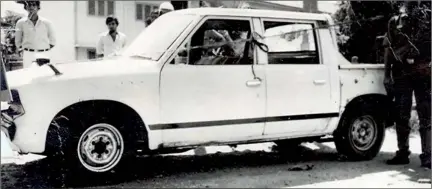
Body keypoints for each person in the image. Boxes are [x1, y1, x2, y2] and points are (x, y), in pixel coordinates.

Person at [383, 1, 431, 169]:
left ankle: (428, 156)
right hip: (402, 73)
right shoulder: (394, 22)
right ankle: (403, 153)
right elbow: (388, 49)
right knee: (401, 114)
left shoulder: (429, 19)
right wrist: (386, 74)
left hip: (424, 74)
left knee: (426, 115)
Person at [15, 0, 56, 68]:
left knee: (43, 75)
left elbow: (53, 41)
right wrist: (24, 51)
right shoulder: (20, 23)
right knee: (28, 76)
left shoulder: (47, 23)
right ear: (26, 7)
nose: (31, 7)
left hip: (44, 54)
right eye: (29, 5)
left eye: (34, 5)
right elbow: (18, 41)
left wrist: (43, 49)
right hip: (28, 54)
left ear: (38, 7)